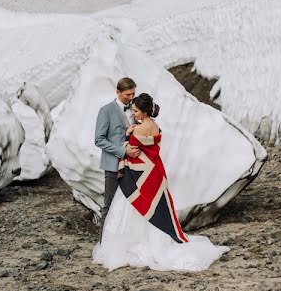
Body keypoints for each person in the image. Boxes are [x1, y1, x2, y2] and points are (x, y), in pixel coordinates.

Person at [93, 93, 229, 271]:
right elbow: (150, 152)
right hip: (155, 174)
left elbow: (132, 151)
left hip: (139, 176)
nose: (133, 114)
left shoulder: (138, 130)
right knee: (156, 207)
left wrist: (127, 135)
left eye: (135, 111)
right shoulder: (155, 127)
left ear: (143, 112)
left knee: (136, 208)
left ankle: (132, 242)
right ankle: (159, 238)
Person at [94, 77, 141, 230]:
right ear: (118, 92)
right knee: (110, 204)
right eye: (128, 94)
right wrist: (123, 151)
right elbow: (99, 140)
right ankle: (103, 244)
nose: (131, 97)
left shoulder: (135, 109)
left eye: (133, 93)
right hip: (113, 166)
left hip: (133, 165)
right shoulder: (106, 110)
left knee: (131, 205)